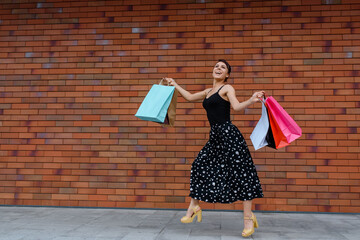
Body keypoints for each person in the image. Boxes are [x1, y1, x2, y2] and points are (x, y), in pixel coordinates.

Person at [164, 59, 264, 238]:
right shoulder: (208, 91)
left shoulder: (227, 88)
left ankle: (248, 218)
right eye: (216, 66)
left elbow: (236, 107)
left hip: (229, 136)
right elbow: (188, 97)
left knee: (242, 175)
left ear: (227, 75)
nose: (218, 68)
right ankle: (194, 206)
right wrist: (174, 84)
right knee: (198, 165)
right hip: (216, 137)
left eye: (223, 67)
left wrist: (251, 100)